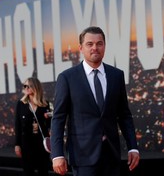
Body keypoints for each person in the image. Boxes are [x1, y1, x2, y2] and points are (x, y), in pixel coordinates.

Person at [51, 26, 140, 176]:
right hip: (83, 156)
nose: (95, 48)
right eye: (89, 44)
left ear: (104, 46)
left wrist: (133, 147)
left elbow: (124, 115)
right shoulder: (67, 78)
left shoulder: (116, 75)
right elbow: (58, 118)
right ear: (80, 48)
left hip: (111, 155)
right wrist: (57, 154)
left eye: (99, 43)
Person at [14, 77, 52, 176]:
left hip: (41, 142)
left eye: (29, 86)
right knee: (28, 171)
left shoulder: (45, 104)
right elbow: (17, 125)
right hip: (26, 142)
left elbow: (49, 124)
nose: (26, 88)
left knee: (43, 170)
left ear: (35, 87)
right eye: (24, 86)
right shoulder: (21, 104)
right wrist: (17, 144)